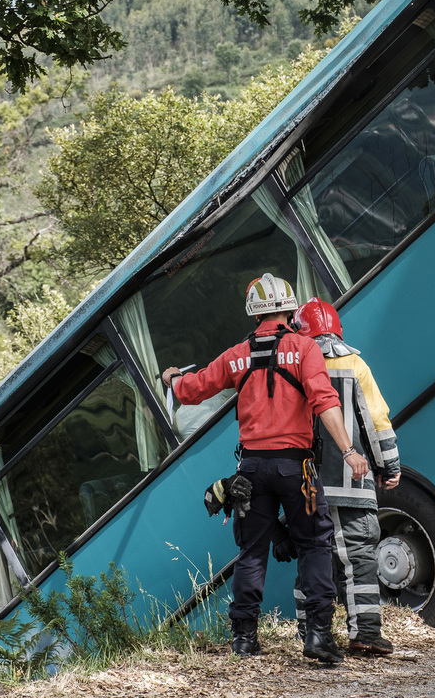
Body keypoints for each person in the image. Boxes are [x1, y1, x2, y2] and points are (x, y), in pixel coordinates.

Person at [162, 274, 369, 664]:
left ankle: (244, 639)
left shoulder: (236, 355)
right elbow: (325, 401)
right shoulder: (305, 348)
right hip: (297, 469)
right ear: (290, 310)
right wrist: (348, 451)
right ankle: (318, 635)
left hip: (252, 470)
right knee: (314, 545)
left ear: (253, 313)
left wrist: (172, 379)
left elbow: (194, 389)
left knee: (252, 552)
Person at [285, 298, 401, 656]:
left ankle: (311, 634)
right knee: (360, 557)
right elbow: (376, 420)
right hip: (353, 479)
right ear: (337, 330)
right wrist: (389, 466)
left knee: (311, 556)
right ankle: (365, 633)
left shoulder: (293, 366)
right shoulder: (355, 364)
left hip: (306, 483)